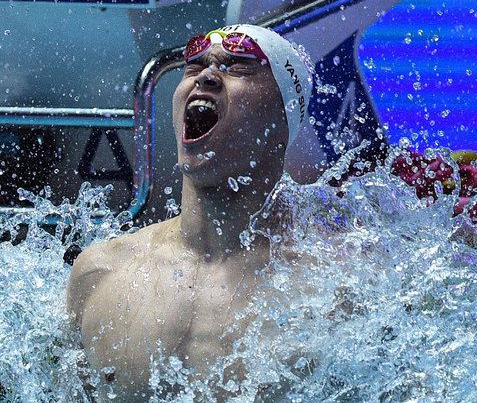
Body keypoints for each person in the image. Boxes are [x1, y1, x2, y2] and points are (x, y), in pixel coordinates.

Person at [66, 24, 311, 401]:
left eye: (238, 66)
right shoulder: (100, 272)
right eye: (194, 68)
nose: (208, 76)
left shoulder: (333, 285)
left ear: (283, 118)